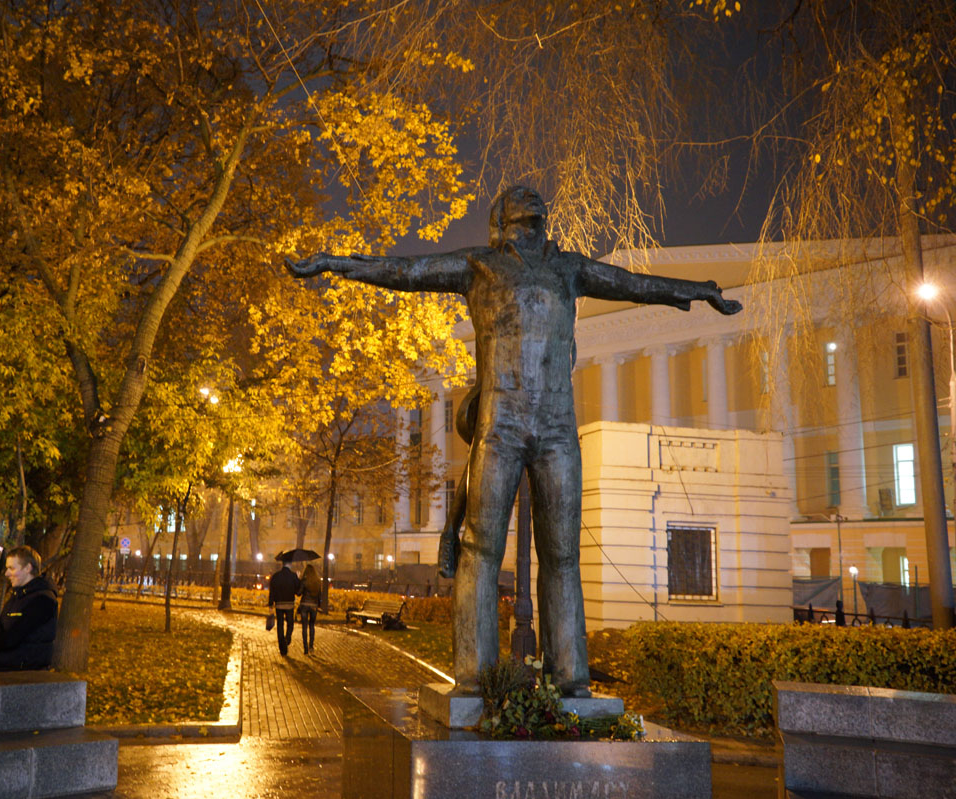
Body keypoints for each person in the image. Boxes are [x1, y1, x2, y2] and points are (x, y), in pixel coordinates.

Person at [287, 185, 742, 695]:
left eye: (534, 211)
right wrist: (337, 264)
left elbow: (633, 283)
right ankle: (475, 678)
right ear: (503, 221)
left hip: (556, 430)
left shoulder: (568, 268)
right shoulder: (478, 265)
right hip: (499, 427)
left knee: (562, 555)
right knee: (480, 551)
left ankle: (570, 679)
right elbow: (404, 272)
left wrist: (696, 289)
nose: (530, 215)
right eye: (521, 210)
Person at [0, 545, 58, 672]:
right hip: (8, 673)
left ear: (28, 568)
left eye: (11, 568)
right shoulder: (17, 596)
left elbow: (11, 638)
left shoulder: (43, 600)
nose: (7, 573)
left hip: (25, 677)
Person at [268, 556, 301, 656]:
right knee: (290, 623)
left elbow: (272, 592)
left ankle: (282, 647)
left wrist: (270, 604)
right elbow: (298, 592)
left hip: (279, 605)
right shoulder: (293, 576)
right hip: (289, 605)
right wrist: (298, 578)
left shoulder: (276, 576)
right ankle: (287, 639)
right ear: (290, 565)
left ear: (282, 564)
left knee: (280, 625)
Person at [297, 563, 322, 655]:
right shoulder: (318, 581)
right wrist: (318, 605)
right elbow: (320, 596)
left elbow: (299, 593)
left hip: (304, 605)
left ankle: (305, 648)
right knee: (312, 626)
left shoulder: (304, 581)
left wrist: (299, 582)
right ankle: (311, 646)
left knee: (304, 627)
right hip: (313, 606)